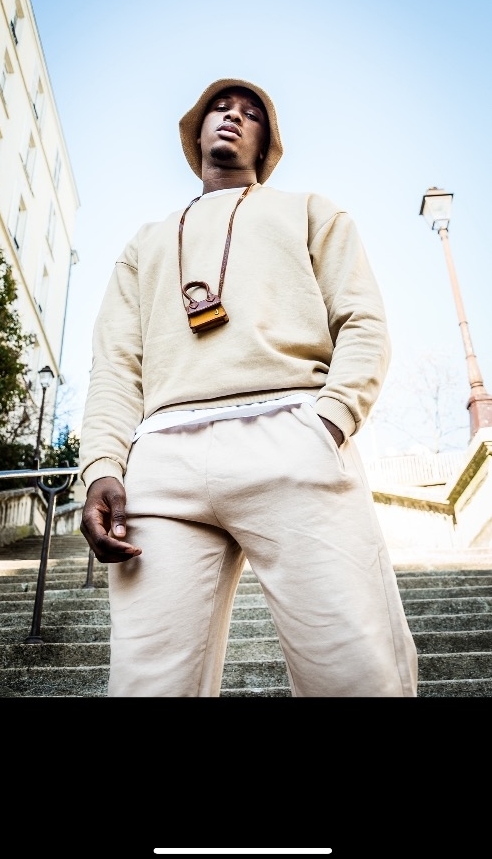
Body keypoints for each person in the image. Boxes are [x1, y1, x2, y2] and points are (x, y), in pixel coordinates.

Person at [79, 77, 418, 698]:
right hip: (162, 462)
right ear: (196, 133)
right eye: (219, 108)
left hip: (289, 434)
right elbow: (115, 365)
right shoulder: (144, 243)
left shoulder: (311, 210)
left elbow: (363, 321)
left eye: (250, 113)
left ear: (267, 142)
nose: (232, 117)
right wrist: (102, 465)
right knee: (147, 683)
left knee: (353, 668)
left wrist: (331, 419)